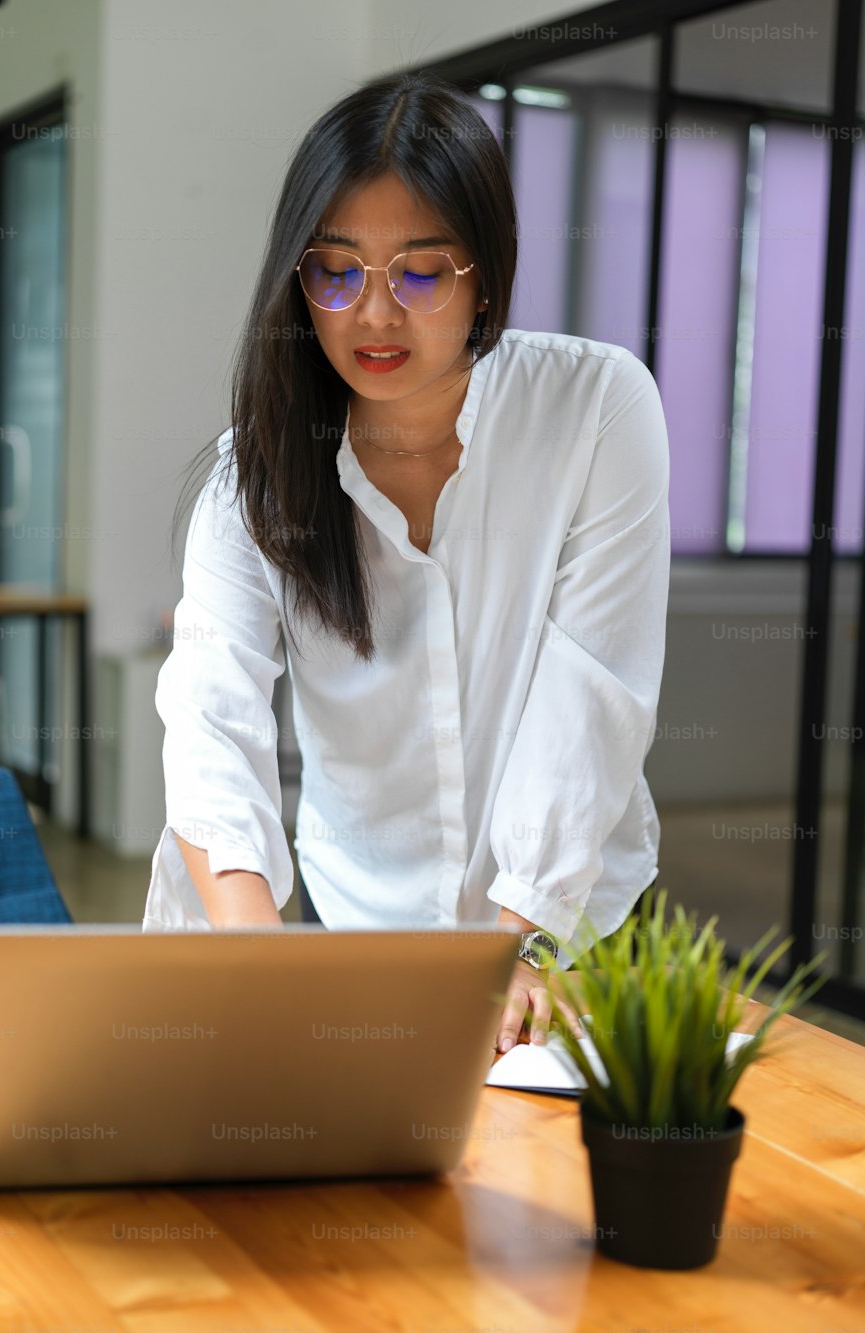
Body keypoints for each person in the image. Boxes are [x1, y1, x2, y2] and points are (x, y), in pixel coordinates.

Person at [142, 70, 670, 1056]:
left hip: (568, 943)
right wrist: (255, 952)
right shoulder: (253, 469)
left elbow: (589, 700)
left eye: (420, 272)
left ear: (486, 273)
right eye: (333, 272)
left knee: (563, 1205)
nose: (371, 314)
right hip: (360, 947)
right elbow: (210, 715)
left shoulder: (596, 410)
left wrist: (522, 943)